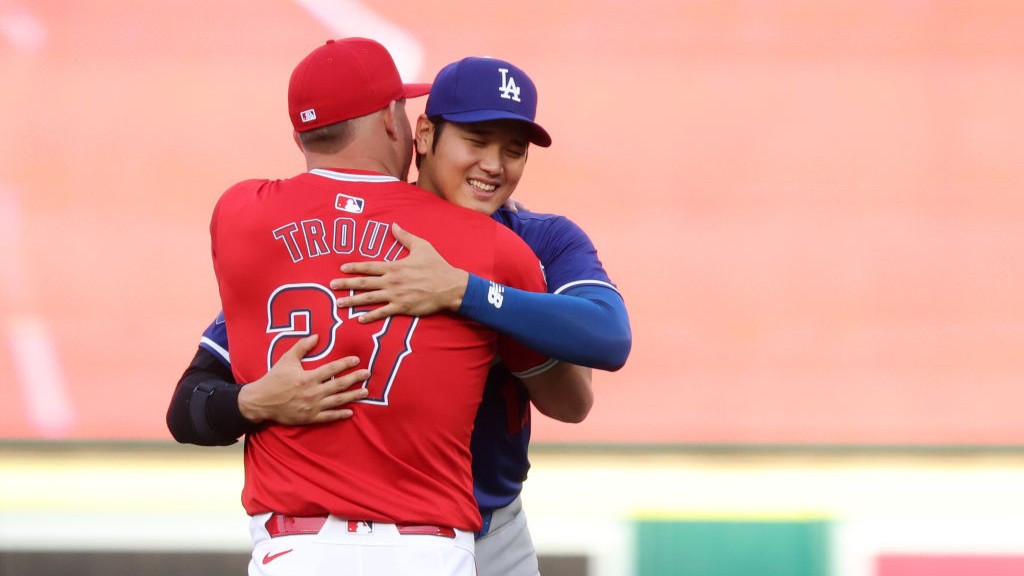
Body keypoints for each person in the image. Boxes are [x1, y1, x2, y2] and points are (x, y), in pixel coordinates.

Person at [169, 54, 631, 576]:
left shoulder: (537, 240)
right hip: (394, 532)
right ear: (423, 135)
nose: (494, 165)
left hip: (494, 525)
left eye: (513, 150)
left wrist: (468, 294)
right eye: (476, 141)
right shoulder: (346, 241)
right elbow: (192, 398)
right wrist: (253, 401)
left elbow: (591, 368)